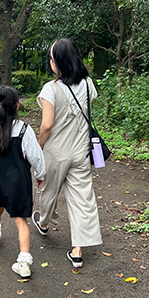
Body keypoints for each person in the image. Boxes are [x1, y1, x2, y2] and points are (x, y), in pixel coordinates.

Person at [32, 38, 102, 268]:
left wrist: (40, 144)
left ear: (57, 63)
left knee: (48, 190)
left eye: (52, 59)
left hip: (56, 151)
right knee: (83, 198)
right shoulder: (89, 84)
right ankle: (78, 250)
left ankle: (43, 223)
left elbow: (47, 125)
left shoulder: (50, 89)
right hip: (82, 151)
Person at [0, 86, 46, 278]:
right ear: (17, 105)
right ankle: (23, 261)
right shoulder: (24, 129)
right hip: (18, 181)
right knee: (20, 220)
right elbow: (36, 157)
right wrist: (40, 175)